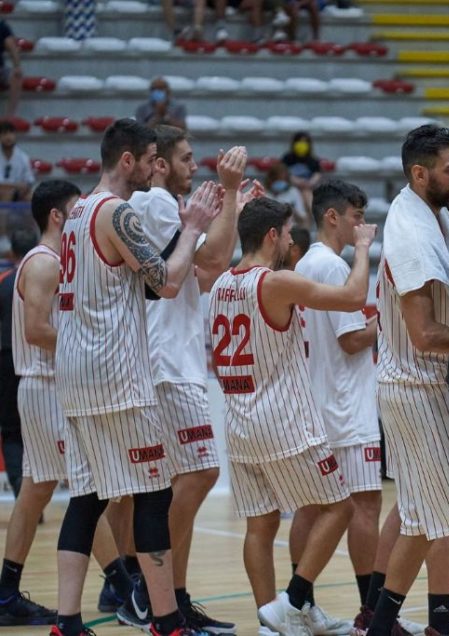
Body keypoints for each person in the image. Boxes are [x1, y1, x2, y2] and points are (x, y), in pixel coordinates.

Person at [52, 118, 220, 636]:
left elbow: (135, 285)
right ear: (128, 160)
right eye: (150, 159)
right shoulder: (117, 211)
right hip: (116, 373)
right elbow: (168, 284)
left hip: (75, 369)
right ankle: (165, 620)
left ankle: (67, 621)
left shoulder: (78, 211)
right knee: (152, 495)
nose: (156, 167)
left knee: (88, 498)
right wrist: (191, 226)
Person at [208, 197, 376, 636]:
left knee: (260, 525)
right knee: (339, 507)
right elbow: (355, 296)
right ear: (270, 236)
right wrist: (361, 249)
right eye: (285, 233)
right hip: (283, 420)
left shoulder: (221, 282)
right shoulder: (275, 282)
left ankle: (270, 622)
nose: (289, 241)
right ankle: (294, 601)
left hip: (239, 420)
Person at [359, 125, 449, 636]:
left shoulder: (438, 216)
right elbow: (424, 333)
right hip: (418, 388)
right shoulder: (411, 231)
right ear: (420, 174)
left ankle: (378, 626)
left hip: (424, 386)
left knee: (417, 523)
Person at [126, 127, 247, 634]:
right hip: (166, 366)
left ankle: (169, 597)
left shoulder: (163, 207)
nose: (193, 165)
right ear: (157, 163)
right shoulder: (154, 202)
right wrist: (231, 195)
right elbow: (215, 260)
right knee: (197, 475)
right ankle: (148, 589)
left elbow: (203, 276)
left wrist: (230, 207)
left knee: (177, 481)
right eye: (185, 158)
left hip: (171, 362)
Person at [2, 181, 137, 628]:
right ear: (58, 216)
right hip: (49, 385)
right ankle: (122, 584)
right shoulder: (44, 263)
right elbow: (39, 329)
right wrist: (89, 346)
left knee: (37, 489)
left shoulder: (53, 262)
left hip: (43, 387)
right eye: (75, 210)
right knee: (88, 490)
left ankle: (6, 589)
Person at [291, 178, 382, 633]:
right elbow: (351, 340)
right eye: (356, 217)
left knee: (312, 509)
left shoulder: (307, 262)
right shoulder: (329, 266)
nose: (362, 226)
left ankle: (298, 608)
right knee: (366, 507)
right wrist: (388, 323)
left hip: (318, 403)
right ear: (333, 217)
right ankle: (369, 612)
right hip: (346, 407)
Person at [0, 228, 37, 499]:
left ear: (11, 253)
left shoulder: (4, 281)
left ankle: (23, 494)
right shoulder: (52, 272)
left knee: (12, 431)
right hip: (41, 359)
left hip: (7, 360)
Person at [282, 131, 322, 213]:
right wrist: (295, 181)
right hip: (290, 187)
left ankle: (311, 218)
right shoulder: (287, 158)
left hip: (307, 188)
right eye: (299, 142)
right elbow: (282, 173)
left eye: (304, 142)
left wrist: (310, 182)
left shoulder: (313, 160)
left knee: (306, 193)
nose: (302, 144)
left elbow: (317, 174)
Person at [0, 120, 34, 202]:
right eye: (4, 133)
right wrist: (15, 186)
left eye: (11, 133)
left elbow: (29, 180)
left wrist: (25, 187)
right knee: (7, 193)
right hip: (3, 192)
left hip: (18, 192)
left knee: (32, 197)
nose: (8, 137)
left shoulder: (23, 157)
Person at [265, 162, 307, 227]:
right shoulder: (265, 193)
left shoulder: (293, 192)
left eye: (282, 179)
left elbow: (302, 219)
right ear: (271, 179)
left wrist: (292, 210)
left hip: (291, 229)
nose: (280, 181)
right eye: (277, 179)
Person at [0, 20, 22, 117]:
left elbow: (12, 48)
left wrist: (17, 66)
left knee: (16, 77)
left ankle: (10, 116)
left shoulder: (2, 27)